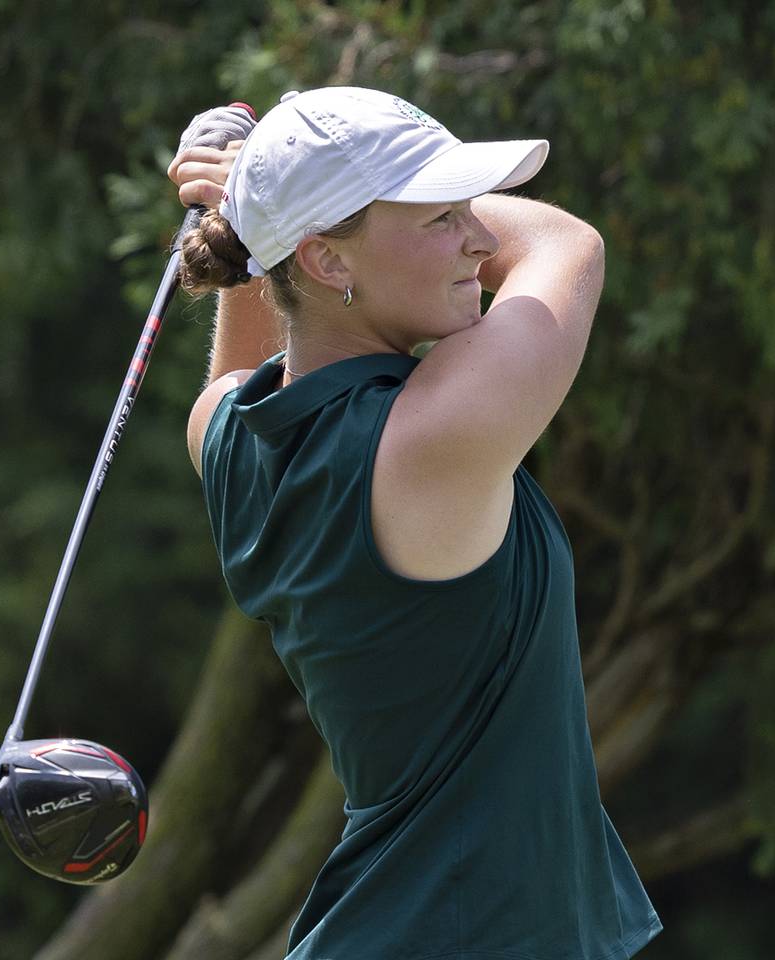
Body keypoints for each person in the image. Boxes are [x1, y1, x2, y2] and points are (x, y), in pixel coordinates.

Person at [166, 87, 662, 960]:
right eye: (440, 217)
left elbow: (240, 349)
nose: (478, 236)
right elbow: (564, 243)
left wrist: (260, 206)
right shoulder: (430, 442)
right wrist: (254, 197)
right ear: (325, 260)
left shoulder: (228, 438)